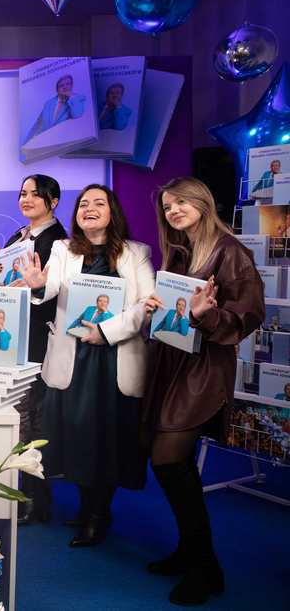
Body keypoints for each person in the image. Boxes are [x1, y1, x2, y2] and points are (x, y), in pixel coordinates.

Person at [142, 177, 264, 606]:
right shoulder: (179, 251)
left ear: (202, 202)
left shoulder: (231, 252)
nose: (173, 210)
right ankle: (192, 552)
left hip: (203, 370)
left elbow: (248, 316)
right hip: (171, 363)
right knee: (171, 465)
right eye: (167, 206)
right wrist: (155, 309)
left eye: (181, 202)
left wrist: (205, 316)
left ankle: (205, 567)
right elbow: (176, 313)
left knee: (168, 458)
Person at [18, 184, 154, 549]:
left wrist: (107, 332)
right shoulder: (63, 249)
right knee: (75, 436)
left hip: (113, 358)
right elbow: (50, 287)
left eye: (99, 203)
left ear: (113, 211)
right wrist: (37, 286)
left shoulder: (136, 253)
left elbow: (146, 305)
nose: (89, 208)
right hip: (72, 359)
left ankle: (98, 514)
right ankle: (85, 506)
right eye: (83, 204)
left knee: (107, 439)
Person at [0, 174, 67, 524]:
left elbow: (55, 293)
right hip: (15, 333)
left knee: (34, 419)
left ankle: (36, 498)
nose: (26, 199)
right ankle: (20, 492)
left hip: (40, 336)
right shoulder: (16, 237)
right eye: (23, 193)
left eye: (35, 194)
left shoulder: (60, 242)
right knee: (18, 416)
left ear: (53, 201)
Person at [27, 74, 86, 142]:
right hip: (44, 140)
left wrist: (71, 97)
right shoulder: (49, 103)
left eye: (68, 84)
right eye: (61, 85)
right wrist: (27, 141)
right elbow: (38, 123)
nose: (65, 87)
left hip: (64, 141)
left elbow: (77, 115)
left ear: (72, 85)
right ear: (57, 89)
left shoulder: (79, 99)